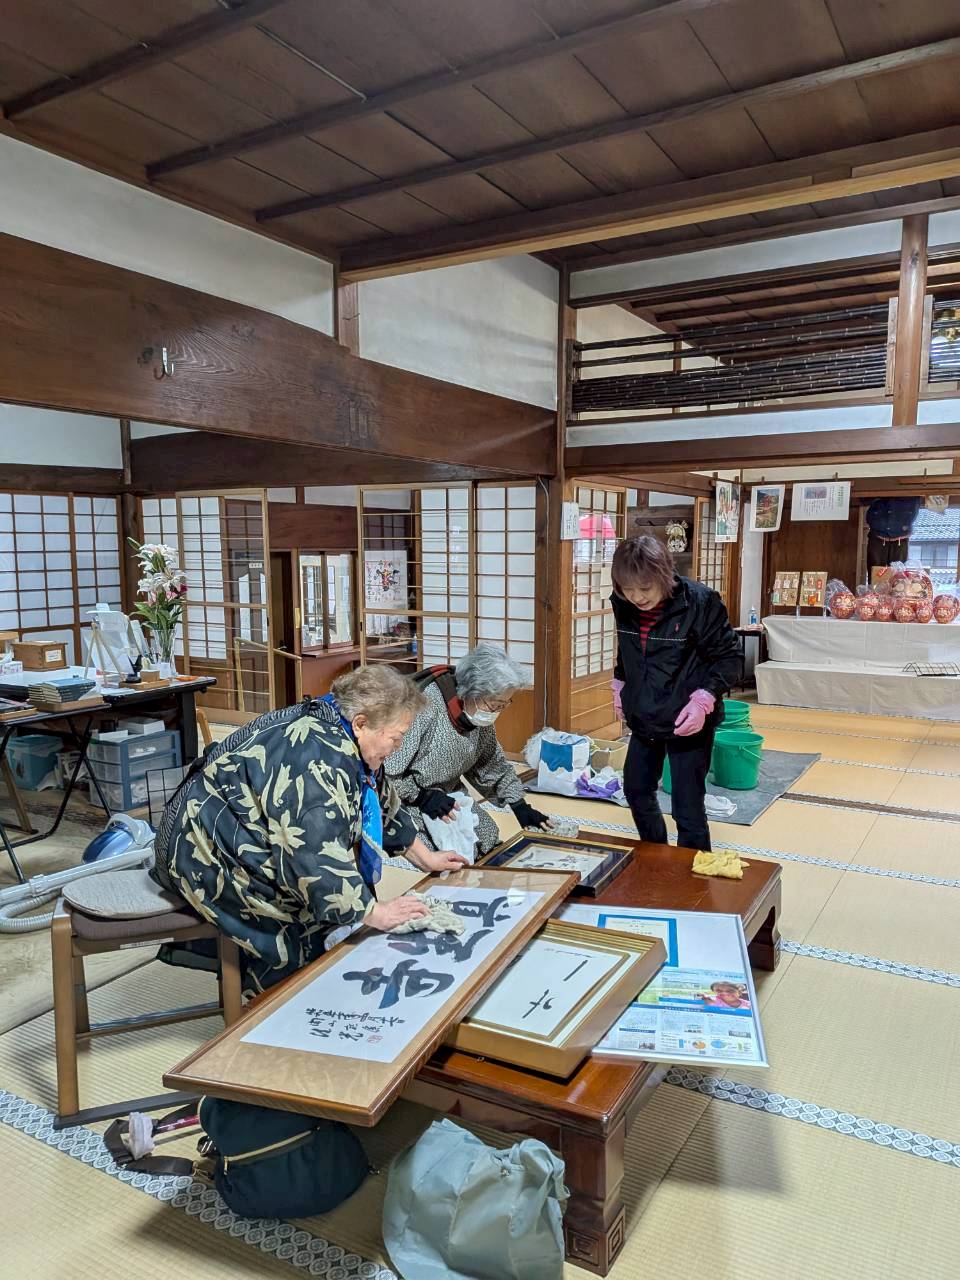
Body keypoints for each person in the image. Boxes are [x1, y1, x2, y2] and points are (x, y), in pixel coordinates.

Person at [152, 666, 466, 997]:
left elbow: (377, 799)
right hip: (201, 844)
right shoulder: (318, 758)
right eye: (396, 737)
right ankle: (269, 1006)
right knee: (301, 921)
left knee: (340, 913)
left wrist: (426, 858)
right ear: (361, 723)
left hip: (240, 827)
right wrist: (375, 912)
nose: (398, 747)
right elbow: (312, 854)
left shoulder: (343, 729)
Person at [610, 535, 740, 852]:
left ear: (664, 576)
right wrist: (621, 684)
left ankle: (692, 873)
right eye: (627, 588)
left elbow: (730, 657)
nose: (636, 597)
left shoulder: (700, 601)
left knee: (687, 806)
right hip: (645, 713)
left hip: (687, 718)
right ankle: (655, 856)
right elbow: (628, 649)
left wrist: (704, 699)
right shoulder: (623, 603)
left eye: (644, 588)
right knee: (636, 790)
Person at [385, 644, 552, 860]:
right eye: (495, 705)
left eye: (505, 704)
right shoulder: (425, 706)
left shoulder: (477, 714)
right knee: (452, 856)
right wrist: (421, 796)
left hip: (449, 797)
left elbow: (491, 763)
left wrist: (519, 805)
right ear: (471, 692)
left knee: (488, 838)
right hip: (408, 799)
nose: (498, 712)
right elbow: (386, 772)